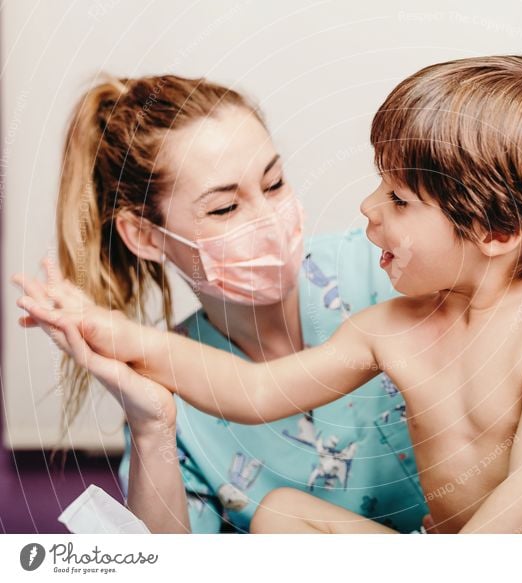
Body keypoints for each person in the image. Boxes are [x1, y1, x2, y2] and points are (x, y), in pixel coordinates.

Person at [17, 56, 522, 534]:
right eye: (224, 205)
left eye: (396, 198)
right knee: (279, 516)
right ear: (145, 234)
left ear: (493, 229)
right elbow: (251, 388)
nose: (366, 213)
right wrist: (107, 329)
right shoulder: (392, 322)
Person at [13, 74, 428, 533]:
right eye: (225, 209)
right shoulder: (173, 389)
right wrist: (153, 431)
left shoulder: (391, 273)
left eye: (273, 184)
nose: (270, 218)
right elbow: (162, 571)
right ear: (146, 236)